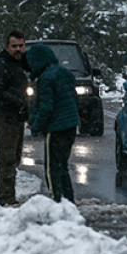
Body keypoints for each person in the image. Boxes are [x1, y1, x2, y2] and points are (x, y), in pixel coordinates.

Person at [25, 43, 81, 203]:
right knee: (63, 166)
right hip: (70, 126)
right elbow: (73, 100)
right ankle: (68, 200)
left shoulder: (45, 79)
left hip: (56, 128)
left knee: (51, 168)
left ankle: (55, 200)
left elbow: (46, 106)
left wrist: (36, 126)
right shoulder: (65, 73)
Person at [0, 30, 30, 206]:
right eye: (14, 46)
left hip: (17, 117)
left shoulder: (21, 64)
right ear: (7, 47)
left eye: (21, 45)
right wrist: (17, 102)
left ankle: (8, 193)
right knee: (7, 158)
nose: (18, 49)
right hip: (5, 117)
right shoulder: (2, 65)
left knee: (15, 157)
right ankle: (5, 196)